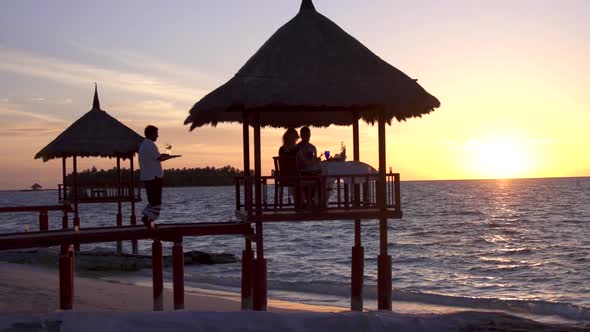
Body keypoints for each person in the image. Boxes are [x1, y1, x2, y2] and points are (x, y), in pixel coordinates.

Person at [138, 125, 172, 227]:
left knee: (153, 201)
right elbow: (158, 158)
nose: (157, 136)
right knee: (156, 201)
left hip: (148, 177)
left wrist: (163, 156)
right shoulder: (150, 144)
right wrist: (167, 157)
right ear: (151, 134)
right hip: (154, 177)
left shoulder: (144, 145)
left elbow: (155, 157)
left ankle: (148, 219)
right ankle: (147, 218)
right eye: (156, 133)